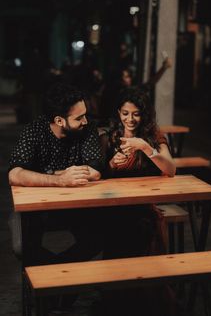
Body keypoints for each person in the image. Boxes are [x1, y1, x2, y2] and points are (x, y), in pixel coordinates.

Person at [99, 87, 178, 316]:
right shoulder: (109, 136)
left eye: (136, 114)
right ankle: (118, 300)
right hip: (114, 209)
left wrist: (145, 147)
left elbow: (171, 169)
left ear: (144, 114)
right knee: (120, 231)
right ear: (118, 113)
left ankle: (142, 300)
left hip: (143, 207)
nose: (130, 119)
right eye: (125, 113)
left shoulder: (153, 136)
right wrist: (112, 165)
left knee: (144, 227)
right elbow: (98, 174)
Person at [8, 82, 104, 267]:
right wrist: (59, 179)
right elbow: (15, 174)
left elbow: (95, 169)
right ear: (59, 120)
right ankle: (59, 285)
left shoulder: (87, 128)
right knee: (22, 248)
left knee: (98, 238)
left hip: (76, 204)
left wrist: (40, 175)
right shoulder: (34, 130)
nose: (85, 121)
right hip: (36, 207)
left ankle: (60, 285)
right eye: (79, 117)